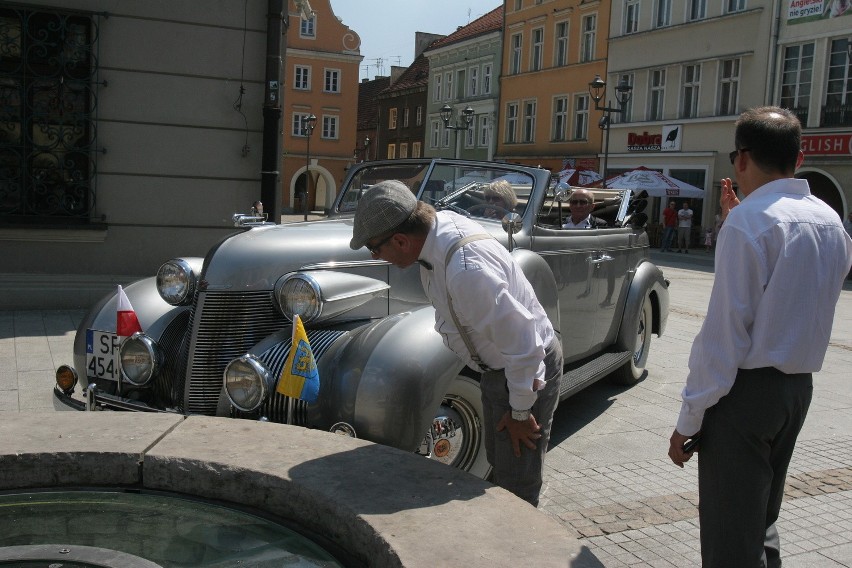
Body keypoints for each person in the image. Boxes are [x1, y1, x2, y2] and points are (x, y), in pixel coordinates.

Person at [667, 106, 852, 567]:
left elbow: (724, 336)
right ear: (799, 155)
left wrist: (689, 418)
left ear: (743, 159)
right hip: (796, 389)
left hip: (745, 396)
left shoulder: (750, 222)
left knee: (731, 534)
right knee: (762, 518)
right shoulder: (830, 221)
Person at [350, 180, 563, 506]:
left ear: (401, 240)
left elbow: (524, 344)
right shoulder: (438, 228)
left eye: (375, 249)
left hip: (523, 369)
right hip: (502, 369)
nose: (378, 257)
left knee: (517, 481)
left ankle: (522, 547)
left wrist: (521, 412)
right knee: (501, 462)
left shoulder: (465, 270)